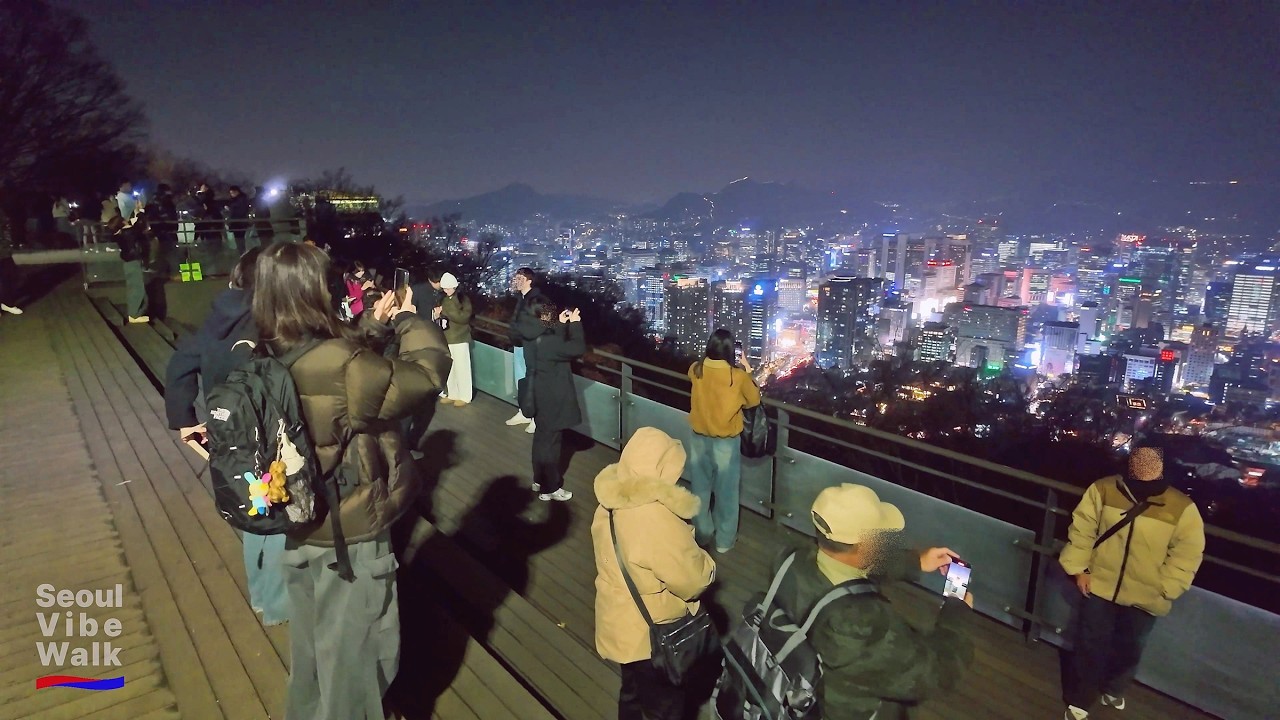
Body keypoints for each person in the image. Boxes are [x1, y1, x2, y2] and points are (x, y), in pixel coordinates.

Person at [252, 241, 450, 720]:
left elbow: (336, 378)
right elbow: (426, 376)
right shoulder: (344, 364)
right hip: (350, 529)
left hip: (298, 515)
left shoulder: (263, 351)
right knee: (355, 656)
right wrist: (408, 319)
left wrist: (373, 328)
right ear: (317, 291)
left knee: (312, 649)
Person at [773, 483, 974, 720]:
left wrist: (916, 562)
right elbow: (933, 674)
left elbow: (851, 559)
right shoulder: (863, 625)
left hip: (792, 684)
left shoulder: (790, 560)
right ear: (867, 545)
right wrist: (957, 614)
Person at [164, 249, 287, 624]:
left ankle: (261, 595)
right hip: (266, 436)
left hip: (226, 434)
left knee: (252, 513)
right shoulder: (267, 323)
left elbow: (180, 365)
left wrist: (185, 419)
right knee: (278, 518)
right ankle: (277, 603)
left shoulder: (216, 321)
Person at [1058, 447, 1204, 720]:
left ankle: (1114, 687)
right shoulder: (1103, 489)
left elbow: (1188, 552)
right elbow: (1083, 530)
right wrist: (1080, 569)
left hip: (1146, 592)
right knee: (1090, 643)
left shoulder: (1181, 506)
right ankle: (1081, 698)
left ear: (1161, 465)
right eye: (1140, 459)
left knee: (1130, 647)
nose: (1144, 465)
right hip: (1099, 584)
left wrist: (1165, 587)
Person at [591, 427, 716, 720]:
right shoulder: (653, 517)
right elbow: (692, 580)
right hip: (652, 637)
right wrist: (708, 564)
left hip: (619, 623)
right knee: (665, 707)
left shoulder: (609, 502)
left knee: (631, 692)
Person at [686, 328, 761, 553]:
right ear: (731, 351)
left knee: (699, 489)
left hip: (698, 437)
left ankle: (702, 533)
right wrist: (747, 370)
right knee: (726, 492)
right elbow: (753, 400)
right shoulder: (736, 377)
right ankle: (724, 541)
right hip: (725, 442)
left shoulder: (696, 369)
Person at [526, 297, 585, 501]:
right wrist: (575, 324)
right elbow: (577, 348)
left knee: (541, 439)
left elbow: (551, 344)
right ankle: (549, 488)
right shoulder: (549, 342)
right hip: (552, 398)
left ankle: (538, 480)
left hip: (538, 394)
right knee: (550, 444)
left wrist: (558, 324)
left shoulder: (533, 336)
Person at [505, 267, 546, 433]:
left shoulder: (541, 300)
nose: (516, 280)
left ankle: (537, 417)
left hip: (533, 348)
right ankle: (524, 412)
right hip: (519, 345)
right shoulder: (520, 298)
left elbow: (549, 325)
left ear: (529, 280)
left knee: (532, 383)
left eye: (520, 278)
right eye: (516, 277)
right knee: (521, 382)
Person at [433, 272, 474, 406]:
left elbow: (464, 317)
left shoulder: (463, 299)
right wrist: (438, 315)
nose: (446, 290)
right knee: (451, 368)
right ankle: (453, 393)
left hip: (460, 337)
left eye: (448, 288)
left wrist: (445, 312)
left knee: (462, 368)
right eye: (444, 288)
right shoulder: (445, 300)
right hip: (447, 337)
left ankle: (465, 396)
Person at [115, 215, 151, 323]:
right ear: (123, 222)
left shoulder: (119, 234)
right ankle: (134, 315)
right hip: (134, 261)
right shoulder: (130, 232)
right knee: (137, 289)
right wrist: (138, 217)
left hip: (127, 262)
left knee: (133, 287)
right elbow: (139, 230)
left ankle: (134, 313)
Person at [224, 185, 251, 255]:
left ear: (236, 192)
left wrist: (230, 209)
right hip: (240, 223)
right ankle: (243, 254)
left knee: (240, 241)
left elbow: (239, 211)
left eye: (232, 193)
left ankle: (243, 255)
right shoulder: (242, 199)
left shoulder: (239, 200)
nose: (231, 195)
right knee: (240, 241)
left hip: (238, 223)